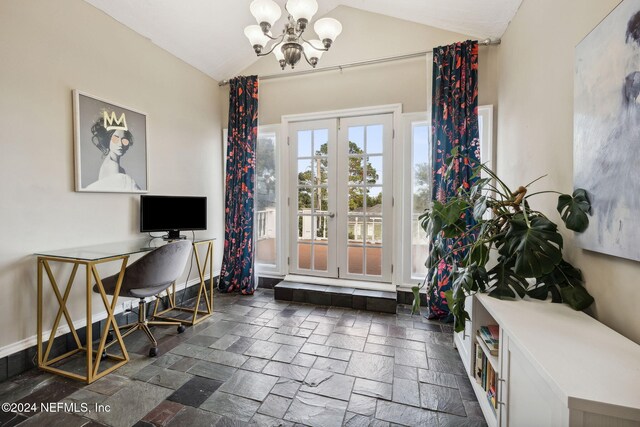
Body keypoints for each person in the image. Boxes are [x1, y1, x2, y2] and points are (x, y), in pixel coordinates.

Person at [85, 112, 140, 191]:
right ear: (108, 141)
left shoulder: (114, 164)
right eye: (115, 139)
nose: (120, 144)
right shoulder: (112, 166)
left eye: (123, 139)